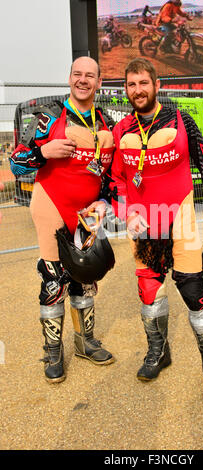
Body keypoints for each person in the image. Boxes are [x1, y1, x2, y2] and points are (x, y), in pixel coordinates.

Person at [85, 58, 203, 402]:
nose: (137, 90)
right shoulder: (121, 129)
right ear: (125, 90)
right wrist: (125, 212)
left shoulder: (181, 120)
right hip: (142, 218)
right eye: (131, 85)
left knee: (193, 293)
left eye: (143, 83)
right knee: (148, 290)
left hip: (180, 215)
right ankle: (159, 352)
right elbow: (115, 180)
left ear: (156, 84)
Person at [10, 56, 116, 384]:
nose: (83, 80)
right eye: (77, 74)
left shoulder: (106, 121)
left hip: (87, 213)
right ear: (69, 78)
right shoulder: (49, 117)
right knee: (54, 280)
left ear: (99, 82)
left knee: (84, 277)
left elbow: (112, 175)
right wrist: (44, 153)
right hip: (51, 206)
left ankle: (85, 343)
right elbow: (16, 164)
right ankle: (53, 350)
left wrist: (105, 201)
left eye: (90, 75)